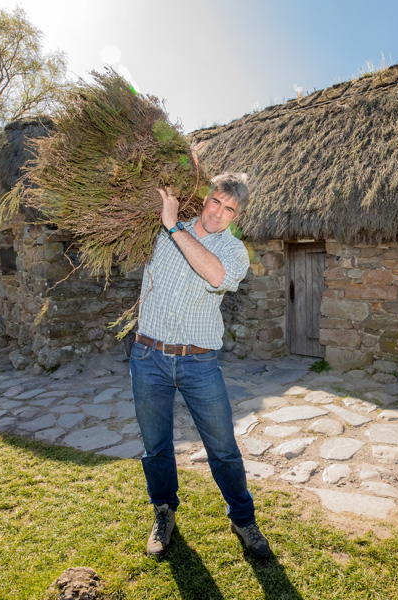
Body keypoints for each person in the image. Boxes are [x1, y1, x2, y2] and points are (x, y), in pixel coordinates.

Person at [129, 172, 270, 559]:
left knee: (222, 448)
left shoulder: (234, 251)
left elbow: (214, 275)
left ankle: (243, 519)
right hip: (147, 356)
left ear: (236, 217)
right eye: (216, 202)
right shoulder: (156, 228)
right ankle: (163, 512)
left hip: (199, 362)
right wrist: (164, 216)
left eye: (230, 210)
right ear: (204, 199)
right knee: (155, 447)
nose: (219, 214)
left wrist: (174, 226)